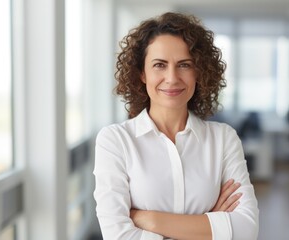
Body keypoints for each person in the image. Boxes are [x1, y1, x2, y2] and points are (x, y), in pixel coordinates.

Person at [93, 12, 259, 240]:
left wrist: (148, 219)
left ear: (198, 72)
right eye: (159, 65)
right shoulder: (115, 141)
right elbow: (117, 236)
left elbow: (246, 229)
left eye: (184, 65)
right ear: (142, 73)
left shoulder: (223, 139)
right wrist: (212, 224)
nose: (172, 78)